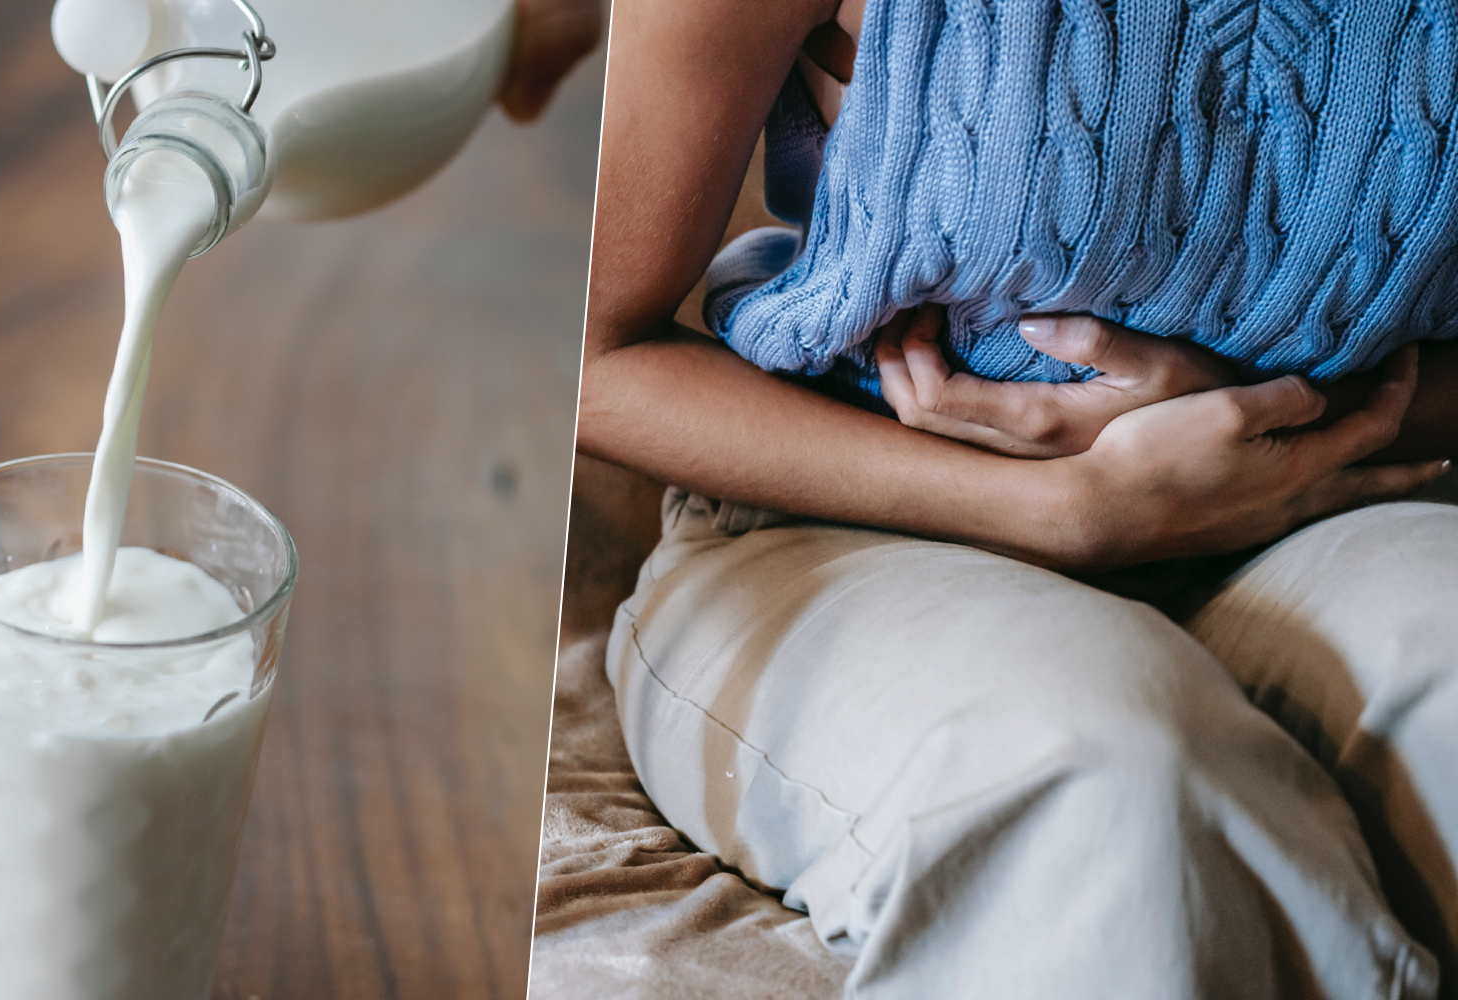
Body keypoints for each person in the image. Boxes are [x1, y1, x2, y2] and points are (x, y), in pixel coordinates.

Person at [581, 0, 1458, 997]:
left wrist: (1249, 411)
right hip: (851, 527)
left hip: (1306, 506)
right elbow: (590, 351)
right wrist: (1060, 510)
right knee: (1114, 783)